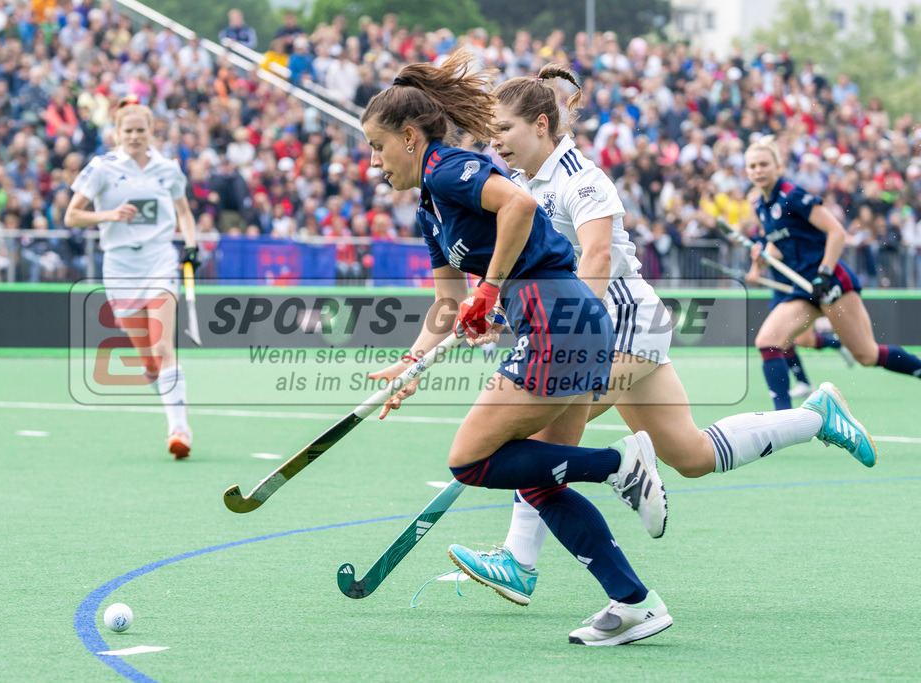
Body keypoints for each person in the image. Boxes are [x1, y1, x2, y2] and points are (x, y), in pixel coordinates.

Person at [446, 66, 877, 613]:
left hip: (622, 323)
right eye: (491, 132)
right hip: (613, 327)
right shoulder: (525, 186)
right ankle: (817, 416)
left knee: (546, 432)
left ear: (540, 123)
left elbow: (596, 257)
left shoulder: (582, 178)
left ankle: (519, 560)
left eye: (504, 129)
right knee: (692, 455)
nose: (495, 142)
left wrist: (568, 333)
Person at [362, 49, 672, 647]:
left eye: (378, 147)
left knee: (470, 461)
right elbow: (448, 306)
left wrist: (492, 288)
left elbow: (522, 205)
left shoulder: (447, 169)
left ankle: (621, 464)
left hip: (558, 323)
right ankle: (635, 602)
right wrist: (410, 365)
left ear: (408, 137)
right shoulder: (431, 212)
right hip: (566, 325)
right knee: (539, 479)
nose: (374, 163)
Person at [65, 97, 199, 460]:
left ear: (150, 130)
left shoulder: (167, 168)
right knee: (150, 361)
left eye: (141, 130)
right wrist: (108, 214)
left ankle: (179, 429)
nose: (135, 136)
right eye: (129, 131)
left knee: (162, 346)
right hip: (120, 267)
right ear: (117, 132)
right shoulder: (102, 167)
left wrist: (191, 245)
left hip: (159, 261)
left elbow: (184, 213)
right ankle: (154, 374)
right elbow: (72, 217)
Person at [745, 135, 921, 410]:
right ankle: (784, 420)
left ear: (777, 166)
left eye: (763, 164)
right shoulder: (761, 206)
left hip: (831, 282)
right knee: (768, 341)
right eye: (752, 166)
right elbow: (779, 245)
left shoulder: (793, 196)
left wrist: (824, 273)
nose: (758, 171)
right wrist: (760, 260)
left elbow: (837, 231)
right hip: (803, 288)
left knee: (866, 354)